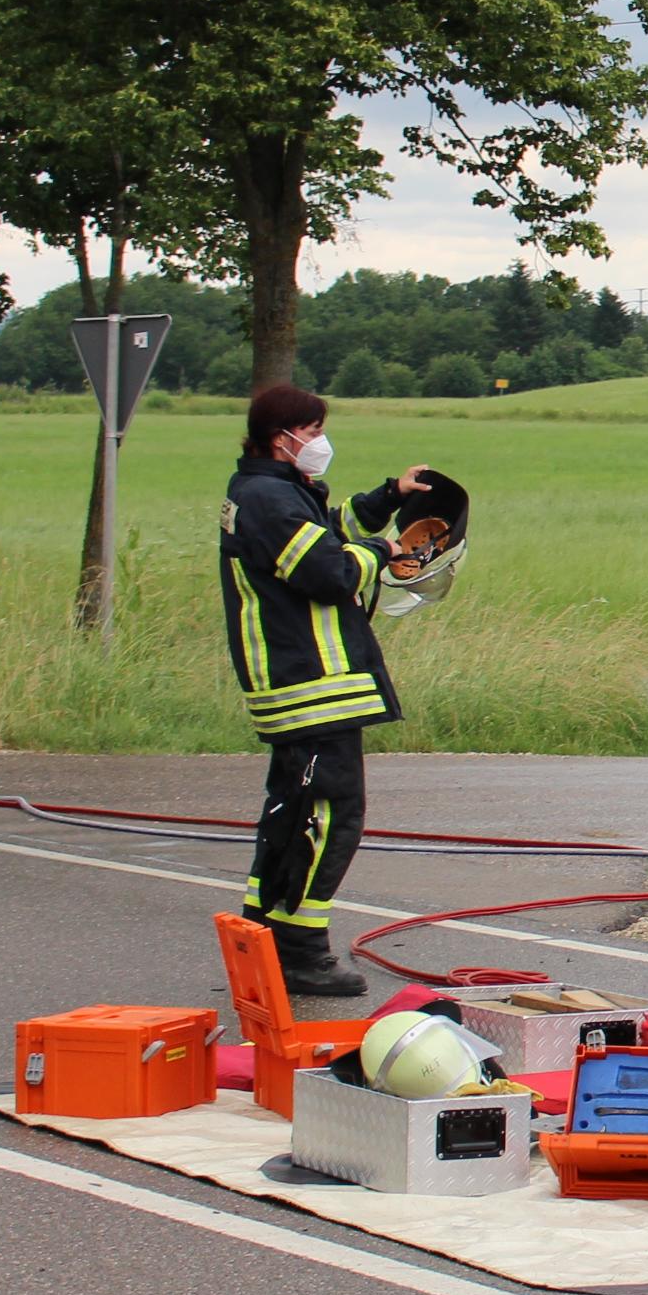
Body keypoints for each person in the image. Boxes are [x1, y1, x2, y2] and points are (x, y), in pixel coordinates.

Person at [220, 383, 429, 1004]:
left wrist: (390, 497)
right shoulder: (268, 499)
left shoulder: (272, 492)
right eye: (312, 431)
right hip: (312, 684)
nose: (319, 442)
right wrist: (383, 551)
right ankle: (302, 953)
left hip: (301, 684)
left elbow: (326, 532)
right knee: (331, 817)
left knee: (292, 813)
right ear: (283, 437)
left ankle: (263, 932)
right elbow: (328, 569)